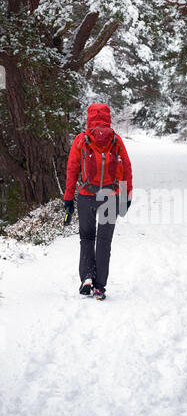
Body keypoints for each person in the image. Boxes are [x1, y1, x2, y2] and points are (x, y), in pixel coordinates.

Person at [64, 103, 132, 300]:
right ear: (108, 117)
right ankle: (100, 286)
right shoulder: (116, 140)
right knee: (104, 241)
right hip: (110, 196)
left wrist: (68, 198)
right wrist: (126, 195)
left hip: (86, 195)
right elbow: (126, 168)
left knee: (86, 238)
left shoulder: (81, 140)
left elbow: (72, 170)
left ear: (89, 117)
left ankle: (87, 278)